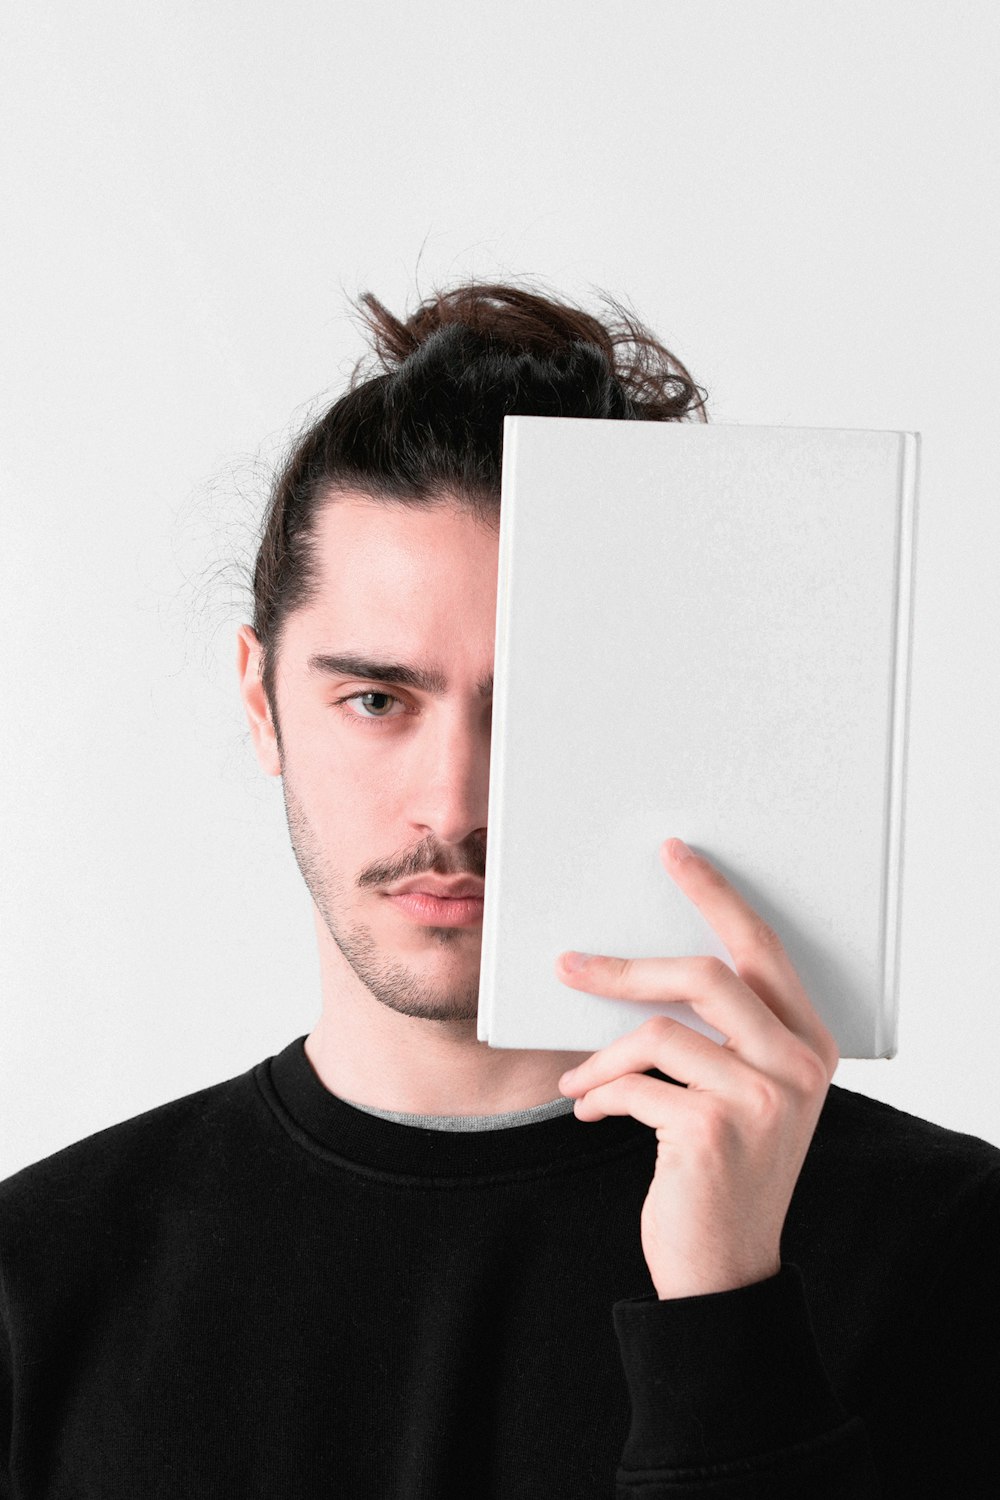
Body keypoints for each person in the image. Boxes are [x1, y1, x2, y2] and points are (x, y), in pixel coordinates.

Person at [1, 279, 998, 1500]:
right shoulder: (40, 1277)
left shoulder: (948, 1248)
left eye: (535, 713)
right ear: (261, 703)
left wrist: (725, 1309)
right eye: (376, 699)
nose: (455, 801)